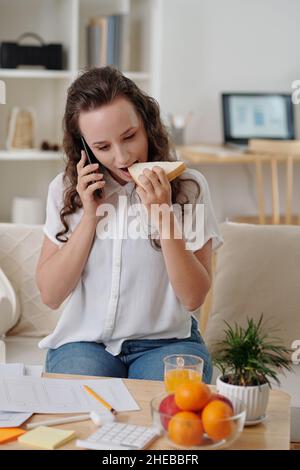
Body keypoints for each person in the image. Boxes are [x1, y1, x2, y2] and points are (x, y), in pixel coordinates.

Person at [36, 66, 223, 383]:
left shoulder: (190, 186)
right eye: (103, 147)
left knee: (171, 419)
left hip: (167, 343)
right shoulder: (65, 189)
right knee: (83, 415)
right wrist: (91, 216)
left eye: (129, 137)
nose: (122, 157)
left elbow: (193, 298)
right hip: (84, 343)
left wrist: (163, 214)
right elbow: (51, 295)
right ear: (84, 147)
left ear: (147, 125)